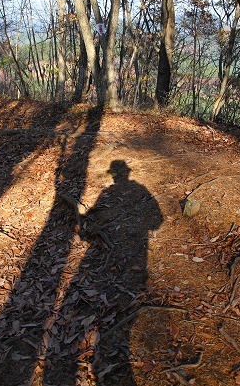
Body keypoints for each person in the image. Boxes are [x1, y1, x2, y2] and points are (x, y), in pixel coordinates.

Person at [44, 160, 163, 385]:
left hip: (132, 252)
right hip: (132, 251)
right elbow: (157, 222)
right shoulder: (126, 190)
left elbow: (157, 221)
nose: (115, 176)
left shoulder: (120, 190)